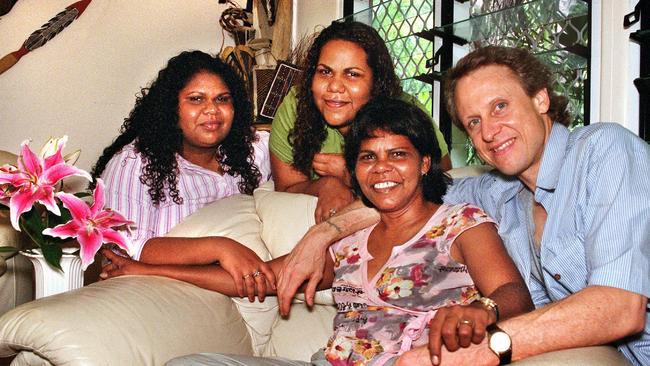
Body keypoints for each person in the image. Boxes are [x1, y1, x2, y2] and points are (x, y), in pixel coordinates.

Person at [276, 46, 650, 366]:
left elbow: (621, 308)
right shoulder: (496, 192)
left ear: (540, 99)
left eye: (500, 106)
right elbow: (401, 193)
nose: (489, 131)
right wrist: (321, 234)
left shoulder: (605, 150)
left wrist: (488, 344)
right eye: (474, 121)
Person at [101, 97, 533, 366]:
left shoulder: (460, 223)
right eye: (367, 158)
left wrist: (485, 310)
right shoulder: (348, 244)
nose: (381, 168)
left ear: (424, 164)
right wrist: (142, 271)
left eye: (397, 154)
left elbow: (515, 292)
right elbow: (262, 279)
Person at [92, 51, 274, 297]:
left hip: (257, 296)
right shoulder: (135, 162)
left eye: (222, 99)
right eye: (196, 99)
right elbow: (126, 249)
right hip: (171, 299)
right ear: (171, 108)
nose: (212, 110)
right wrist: (220, 248)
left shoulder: (255, 150)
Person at [270, 21, 451, 223]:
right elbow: (286, 188)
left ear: (376, 83)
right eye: (325, 71)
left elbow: (441, 180)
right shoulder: (297, 107)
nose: (335, 86)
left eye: (352, 74)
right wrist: (326, 185)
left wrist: (350, 174)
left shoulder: (406, 112)